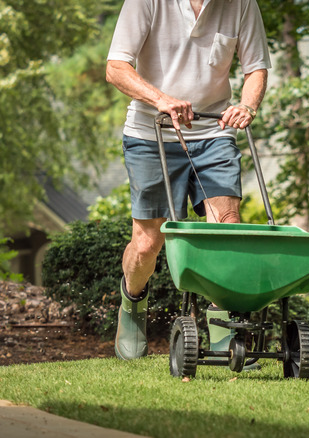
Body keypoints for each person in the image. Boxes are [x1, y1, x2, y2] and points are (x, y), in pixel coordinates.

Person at [106, 0, 271, 360]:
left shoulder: (241, 4)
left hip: (214, 132)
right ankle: (133, 304)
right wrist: (161, 98)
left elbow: (256, 68)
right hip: (152, 133)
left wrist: (247, 105)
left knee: (225, 229)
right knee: (148, 243)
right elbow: (116, 68)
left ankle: (224, 330)